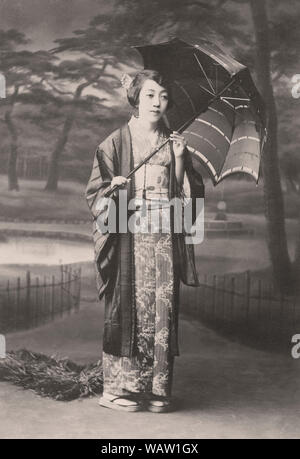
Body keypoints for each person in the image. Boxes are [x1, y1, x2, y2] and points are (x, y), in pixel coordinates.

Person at [85, 69, 204, 412]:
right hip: (128, 232)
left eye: (163, 95)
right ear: (135, 98)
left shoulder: (173, 141)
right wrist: (115, 190)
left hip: (164, 232)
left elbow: (185, 197)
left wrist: (180, 160)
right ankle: (117, 390)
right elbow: (96, 194)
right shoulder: (115, 142)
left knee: (162, 307)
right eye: (150, 94)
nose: (157, 102)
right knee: (129, 307)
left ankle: (156, 390)